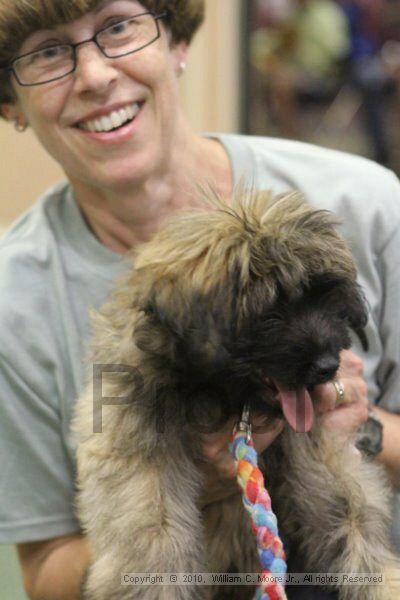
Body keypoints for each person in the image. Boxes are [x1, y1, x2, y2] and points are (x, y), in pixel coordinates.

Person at [0, 1, 399, 599]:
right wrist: (205, 482)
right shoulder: (13, 301)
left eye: (118, 26)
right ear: (11, 105)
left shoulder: (364, 203)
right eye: (48, 51)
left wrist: (358, 428)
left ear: (178, 43)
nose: (95, 75)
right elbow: (46, 572)